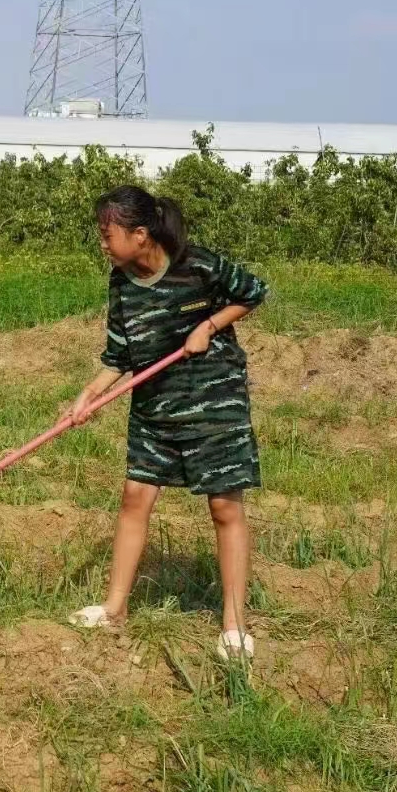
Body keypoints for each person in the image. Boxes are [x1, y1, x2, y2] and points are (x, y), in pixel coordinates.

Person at [64, 185, 268, 660]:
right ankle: (115, 608)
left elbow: (253, 291)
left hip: (214, 405)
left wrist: (209, 326)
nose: (102, 243)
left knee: (224, 507)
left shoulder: (197, 265)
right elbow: (118, 354)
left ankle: (234, 626)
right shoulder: (121, 284)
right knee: (135, 495)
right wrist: (88, 396)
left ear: (139, 234)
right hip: (154, 408)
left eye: (106, 234)